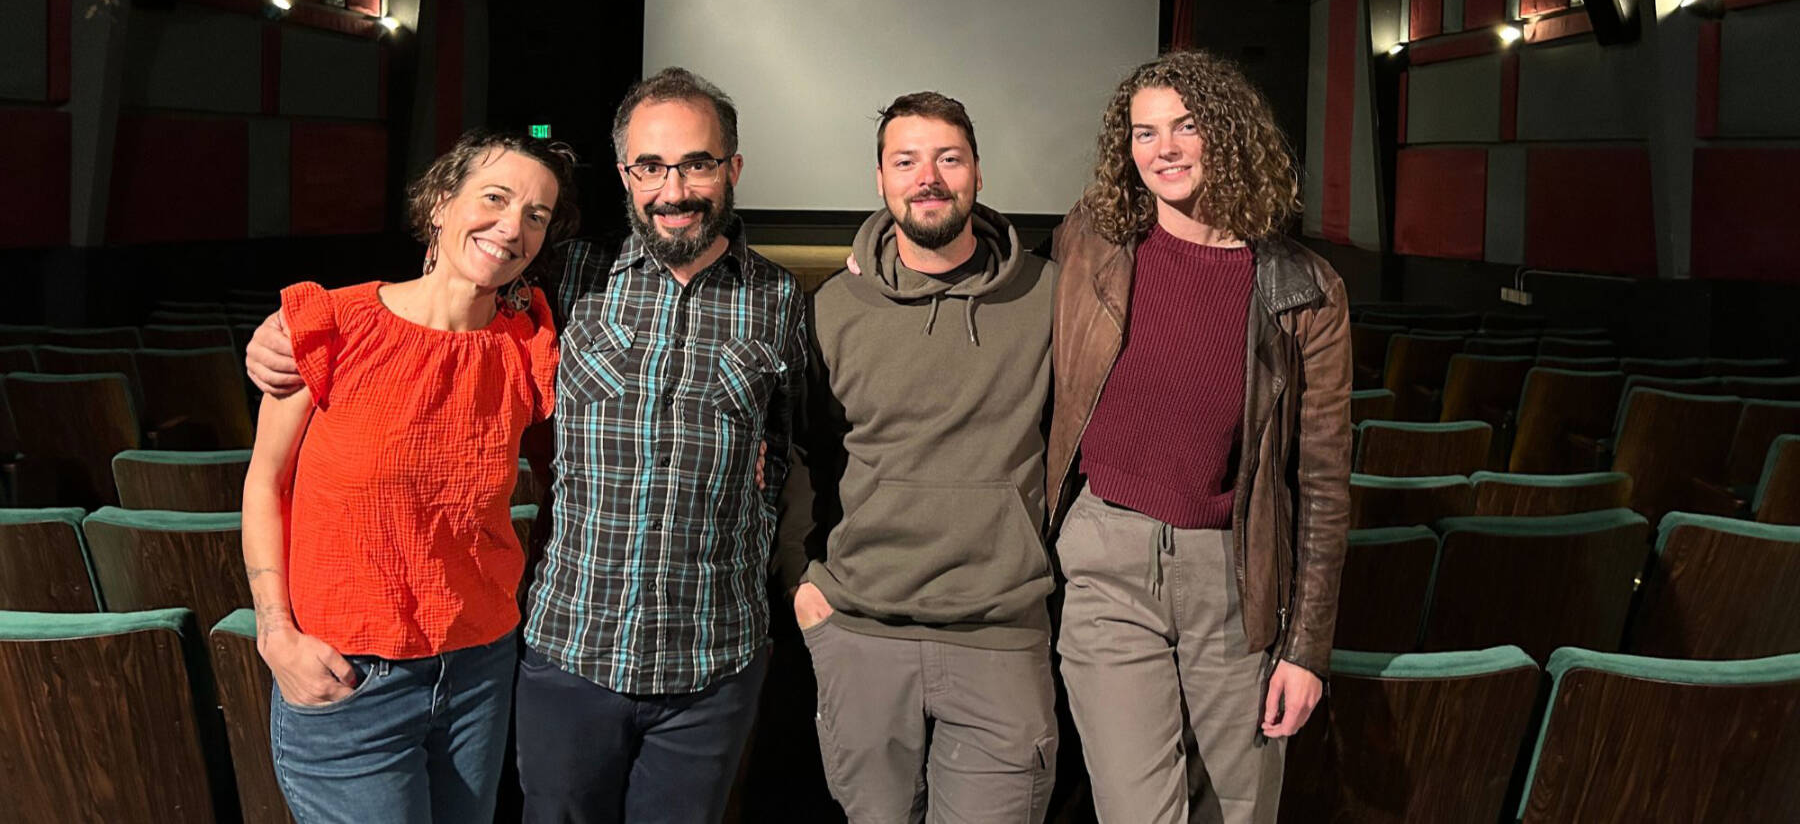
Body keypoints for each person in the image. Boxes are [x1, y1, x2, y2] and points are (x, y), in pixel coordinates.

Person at [248, 68, 805, 824]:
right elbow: (272, 476)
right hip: (539, 656)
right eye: (651, 166)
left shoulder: (774, 304)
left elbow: (790, 451)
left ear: (731, 169)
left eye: (698, 163)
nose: (674, 188)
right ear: (626, 176)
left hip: (669, 658)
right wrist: (275, 631)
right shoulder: (572, 282)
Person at [1045, 49, 1352, 824]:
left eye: (1187, 127)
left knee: (1240, 813)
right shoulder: (1091, 241)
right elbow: (961, 236)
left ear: (1230, 135)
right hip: (1107, 559)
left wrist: (1307, 650)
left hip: (1235, 580)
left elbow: (1321, 484)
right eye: (1144, 133)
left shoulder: (1306, 289)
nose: (1165, 150)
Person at [241, 129, 578, 824]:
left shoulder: (527, 345)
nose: (512, 226)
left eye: (536, 216)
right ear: (439, 203)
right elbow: (266, 483)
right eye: (495, 197)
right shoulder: (331, 325)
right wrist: (275, 632)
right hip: (349, 679)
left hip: (478, 672)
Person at [779, 91, 1060, 823]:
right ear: (880, 178)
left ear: (977, 172)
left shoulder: (1049, 298)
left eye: (948, 158)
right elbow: (801, 452)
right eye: (906, 161)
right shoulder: (833, 306)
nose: (927, 177)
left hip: (1001, 633)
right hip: (861, 630)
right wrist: (801, 583)